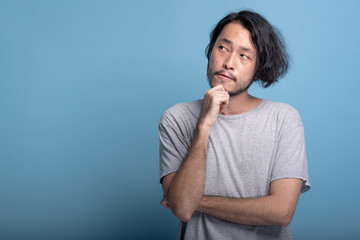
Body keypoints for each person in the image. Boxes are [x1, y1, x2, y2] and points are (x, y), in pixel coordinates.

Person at [159, 10, 310, 240]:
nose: (229, 63)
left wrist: (197, 201)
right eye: (223, 48)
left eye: (244, 55)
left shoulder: (284, 118)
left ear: (258, 67)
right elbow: (181, 209)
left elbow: (281, 211)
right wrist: (203, 127)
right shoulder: (176, 118)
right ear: (211, 51)